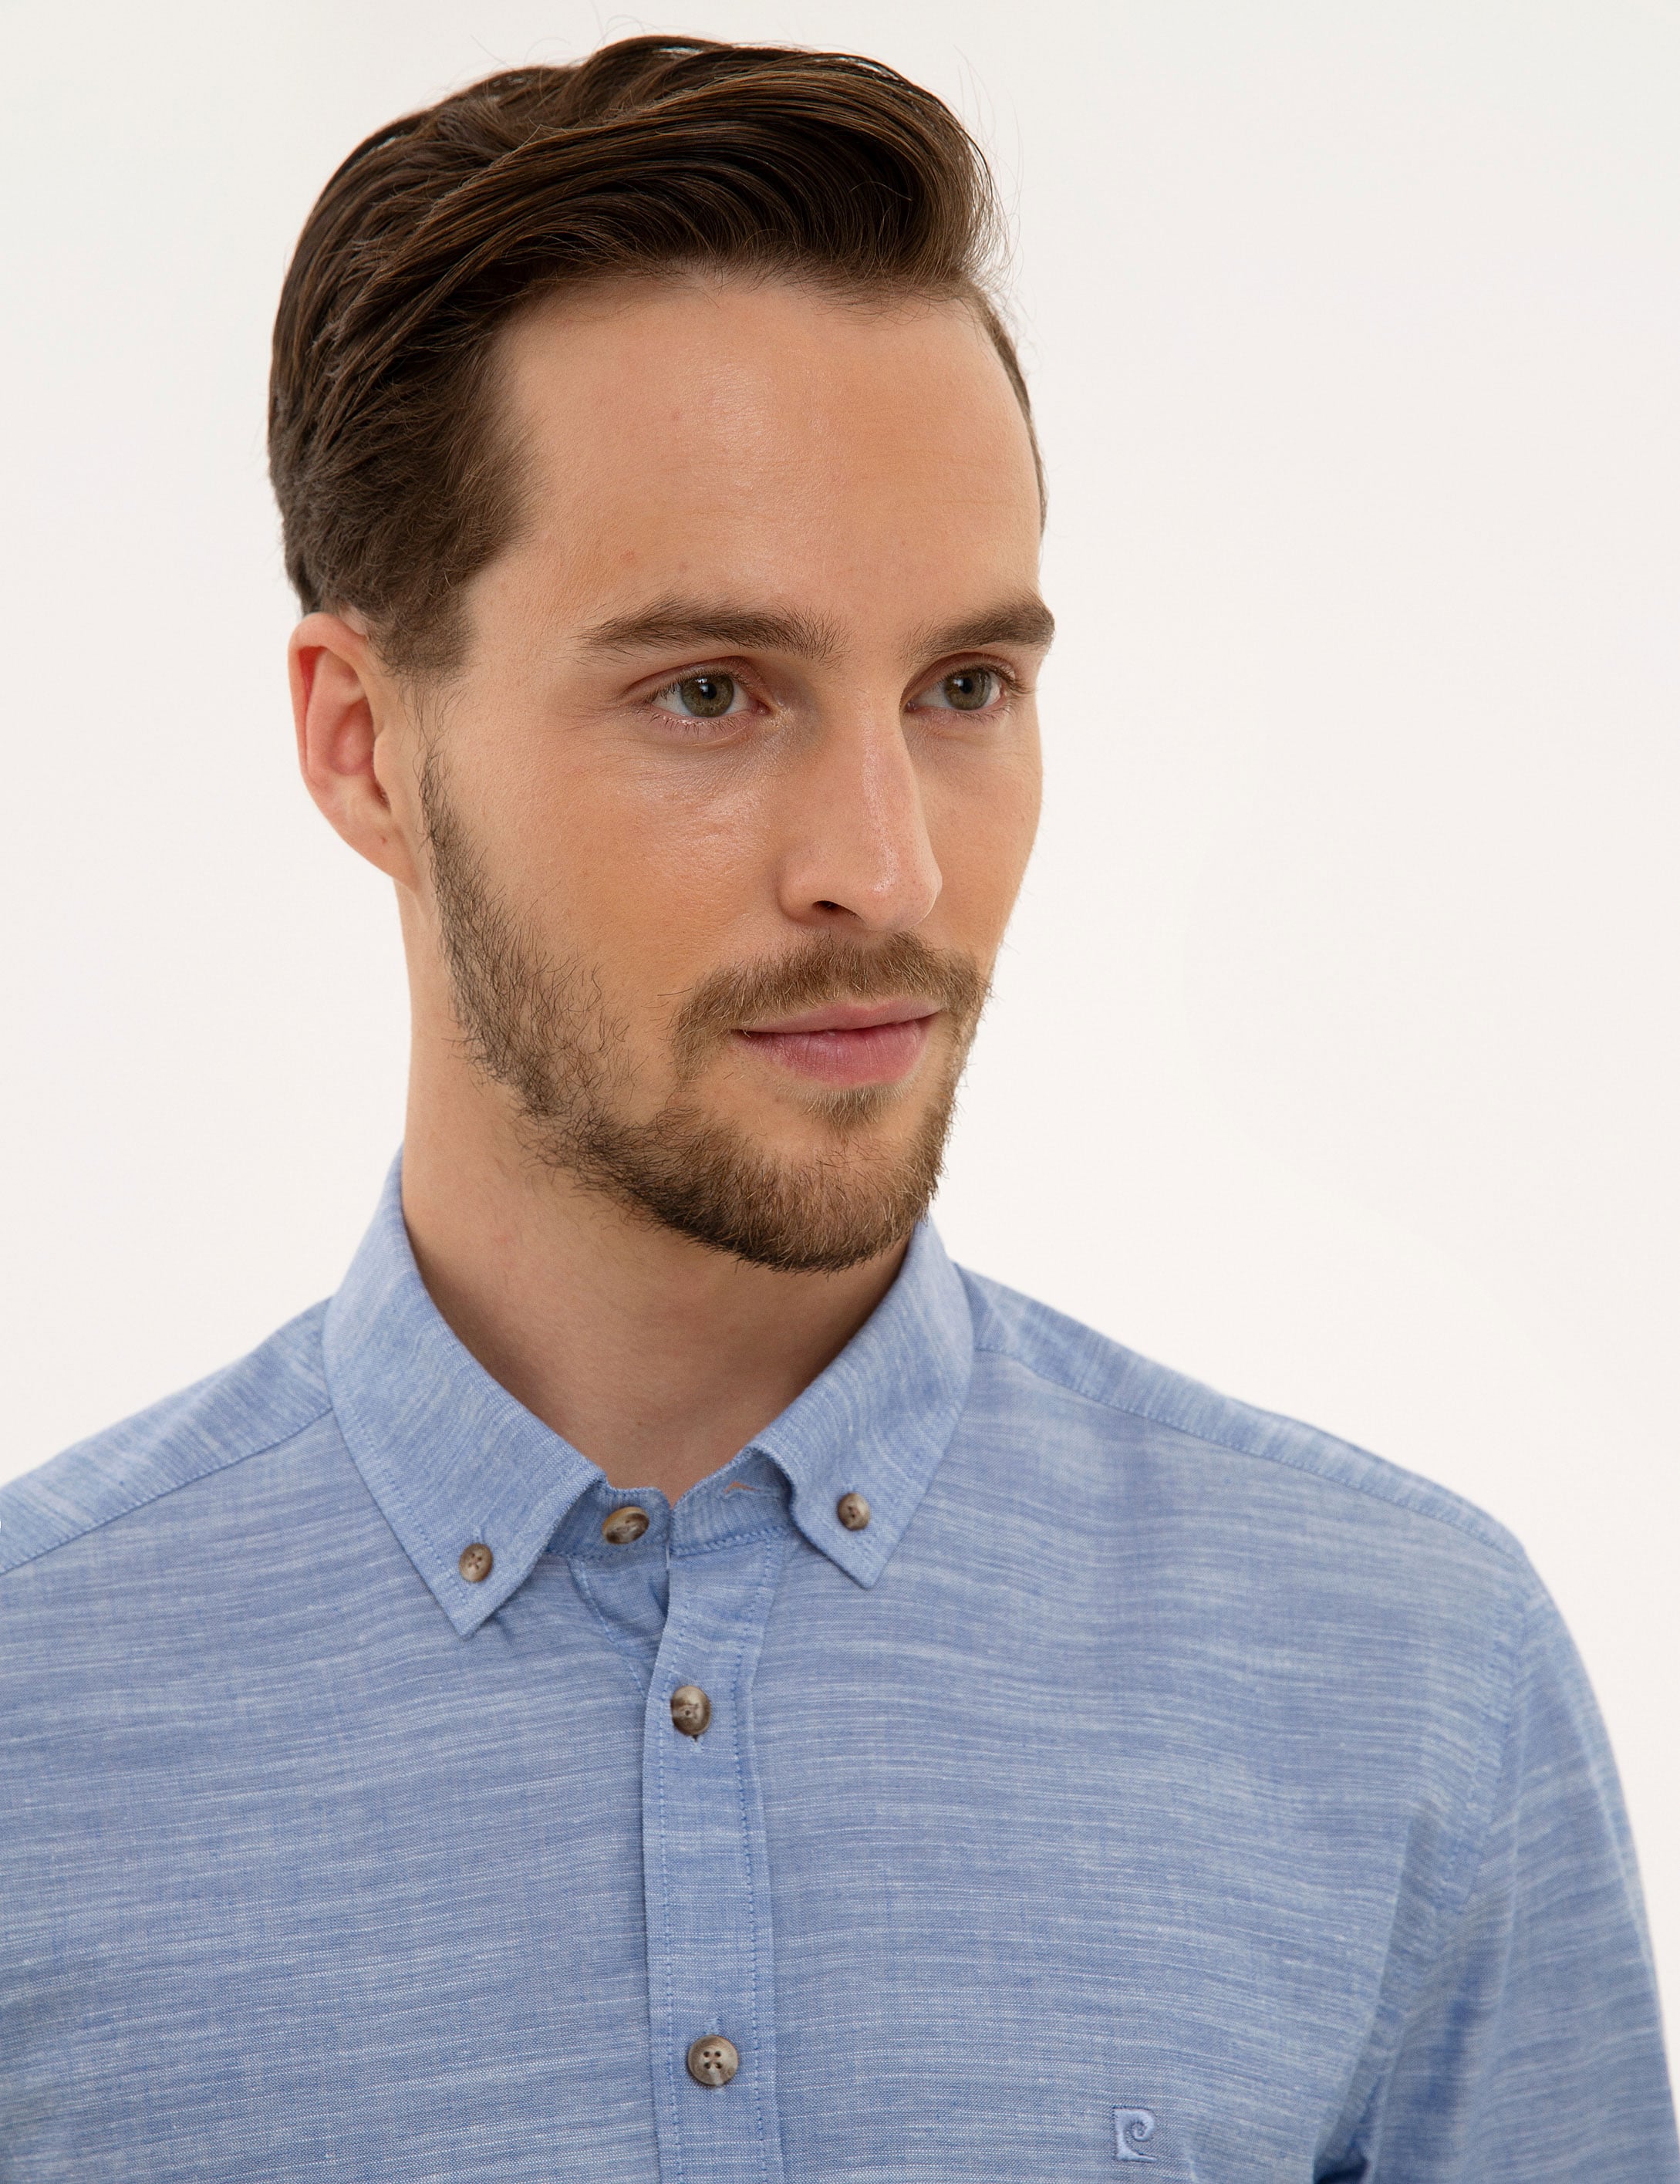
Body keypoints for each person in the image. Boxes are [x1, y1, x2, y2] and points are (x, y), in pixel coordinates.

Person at [1, 34, 1672, 2180]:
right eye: (710, 692)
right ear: (363, 745)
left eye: (964, 687)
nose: (884, 869)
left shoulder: (1407, 1675)